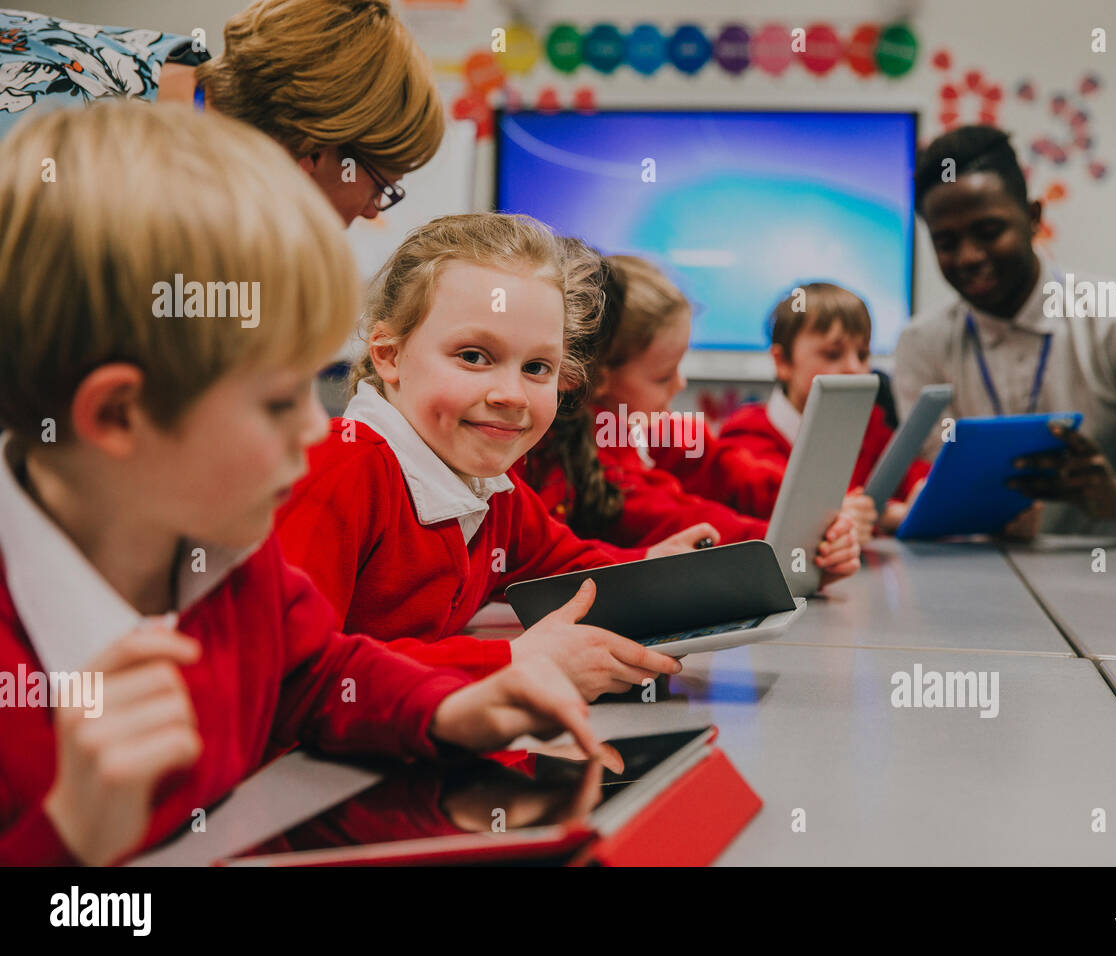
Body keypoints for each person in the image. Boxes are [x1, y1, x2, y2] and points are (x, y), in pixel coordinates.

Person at [0, 102, 607, 866]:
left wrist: (450, 703)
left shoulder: (229, 555)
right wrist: (71, 837)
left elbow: (318, 675)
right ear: (119, 415)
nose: (318, 432)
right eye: (281, 402)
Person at [274, 215, 699, 702]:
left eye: (538, 367)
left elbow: (571, 571)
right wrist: (511, 664)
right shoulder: (342, 466)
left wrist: (663, 575)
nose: (512, 394)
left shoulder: (490, 486)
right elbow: (294, 673)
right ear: (389, 355)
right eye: (474, 356)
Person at [895, 125, 1116, 537]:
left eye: (989, 232)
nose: (969, 256)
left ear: (1033, 219)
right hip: (983, 582)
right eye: (946, 242)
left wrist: (1113, 496)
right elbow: (938, 494)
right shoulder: (921, 345)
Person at [524, 253, 864, 575]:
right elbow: (672, 515)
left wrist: (817, 512)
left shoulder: (651, 428)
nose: (680, 383)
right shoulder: (595, 453)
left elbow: (728, 471)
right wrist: (796, 543)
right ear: (597, 377)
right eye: (663, 375)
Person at [0, 1, 440, 226]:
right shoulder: (65, 161)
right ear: (312, 151)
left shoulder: (167, 66)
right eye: (381, 187)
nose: (371, 213)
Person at [708, 282, 930, 535]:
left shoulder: (869, 426)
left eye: (863, 355)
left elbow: (908, 471)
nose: (855, 368)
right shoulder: (747, 436)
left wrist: (923, 488)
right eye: (833, 354)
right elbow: (788, 500)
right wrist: (883, 513)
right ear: (782, 362)